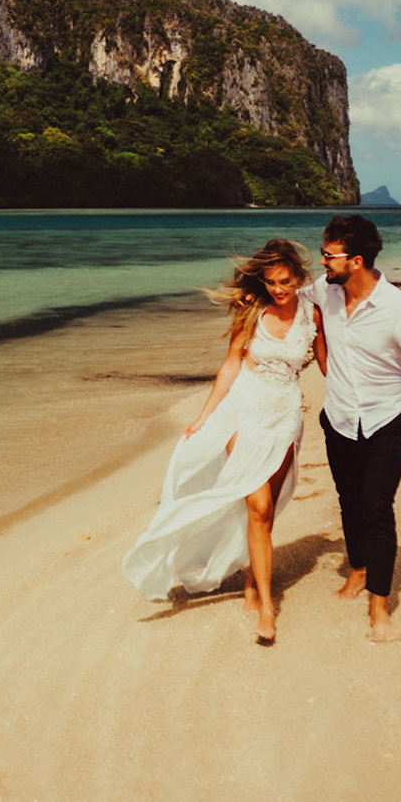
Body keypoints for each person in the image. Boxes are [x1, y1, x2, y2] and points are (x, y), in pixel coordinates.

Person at [122, 239, 325, 645]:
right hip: (244, 409)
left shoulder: (312, 313)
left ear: (299, 279)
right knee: (259, 503)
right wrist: (204, 414)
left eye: (285, 282)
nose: (279, 289)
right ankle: (267, 607)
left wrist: (374, 389)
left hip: (285, 414)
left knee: (266, 511)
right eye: (271, 283)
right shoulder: (254, 311)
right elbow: (233, 361)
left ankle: (253, 578)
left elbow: (327, 365)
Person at [301, 214, 401, 643]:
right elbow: (290, 295)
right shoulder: (326, 290)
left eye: (328, 255)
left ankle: (379, 604)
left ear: (355, 261)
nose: (321, 262)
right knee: (348, 500)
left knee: (376, 506)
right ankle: (358, 568)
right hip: (338, 417)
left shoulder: (400, 309)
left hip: (385, 421)